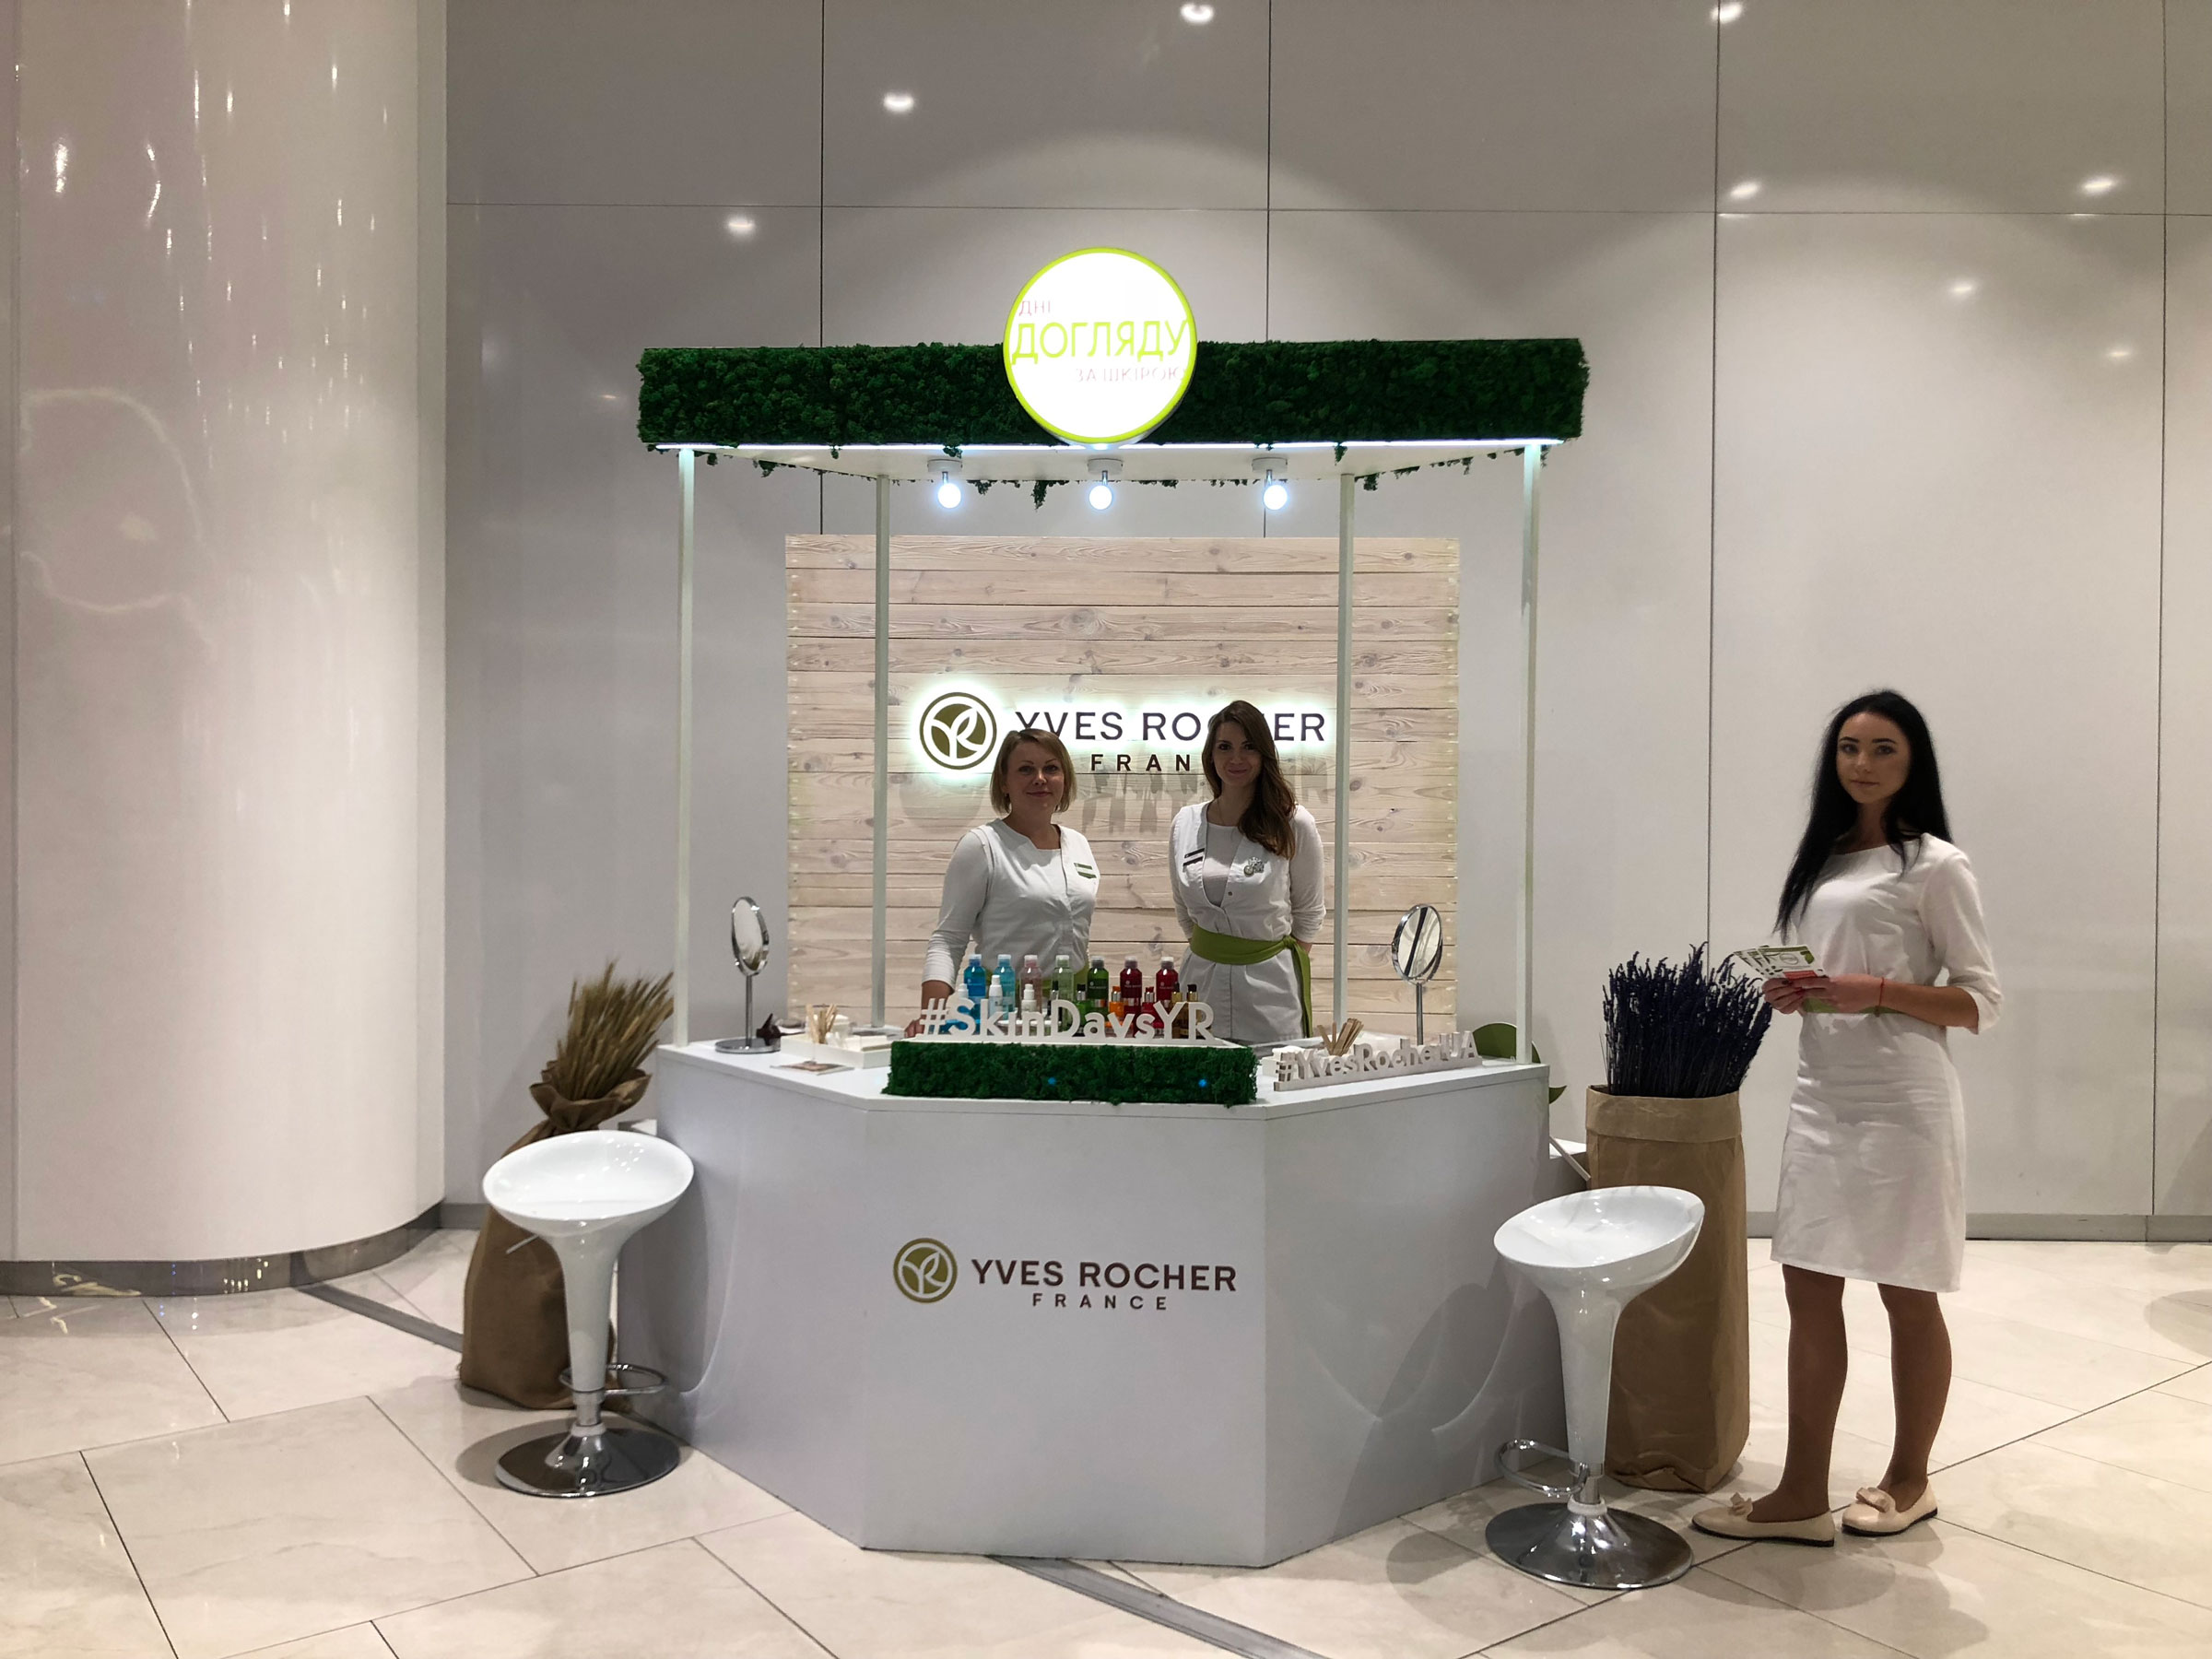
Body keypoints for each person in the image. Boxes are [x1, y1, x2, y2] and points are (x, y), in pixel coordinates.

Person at [1694, 689, 2000, 1547]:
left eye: (1883, 749)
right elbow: (1839, 973)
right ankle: (1800, 1492)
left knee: (1907, 1292)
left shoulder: (1936, 865)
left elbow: (1980, 1001)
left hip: (1904, 1102)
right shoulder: (1824, 860)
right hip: (1822, 1094)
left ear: (1914, 761)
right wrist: (1803, 990)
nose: (1862, 764)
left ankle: (1910, 1480)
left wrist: (1879, 992)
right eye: (1849, 748)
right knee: (1807, 1287)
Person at [912, 727, 1098, 1029]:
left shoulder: (1078, 844)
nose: (1040, 778)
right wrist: (929, 1018)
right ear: (1004, 782)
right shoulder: (982, 845)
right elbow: (948, 939)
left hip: (1076, 1013)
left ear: (1065, 779)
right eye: (1026, 769)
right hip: (1001, 1016)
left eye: (1051, 768)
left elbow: (1075, 934)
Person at [1169, 700, 1325, 1046]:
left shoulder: (1293, 823)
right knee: (1199, 1073)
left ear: (1264, 754)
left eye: (1248, 747)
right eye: (1225, 747)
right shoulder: (1186, 823)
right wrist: (1218, 949)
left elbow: (1309, 913)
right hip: (1200, 986)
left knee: (1271, 1075)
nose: (1236, 758)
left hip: (1271, 991)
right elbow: (1183, 908)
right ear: (1211, 756)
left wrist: (1256, 957)